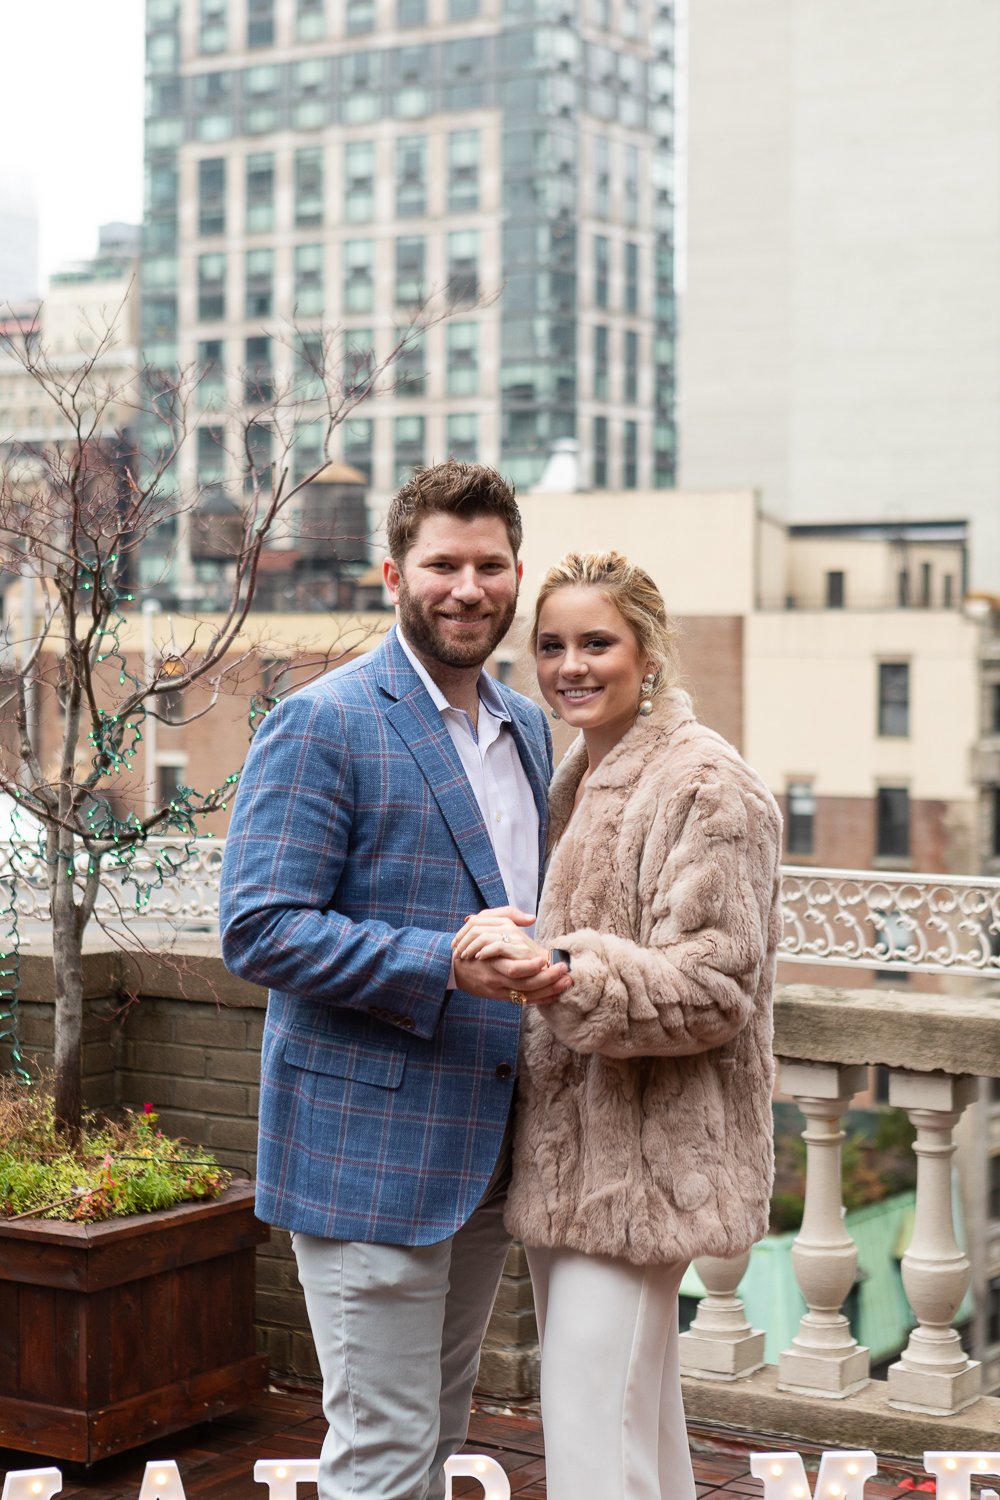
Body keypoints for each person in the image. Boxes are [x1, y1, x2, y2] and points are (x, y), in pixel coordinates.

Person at [219, 460, 572, 1500]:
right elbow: (259, 927)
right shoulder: (324, 721)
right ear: (391, 574)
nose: (467, 588)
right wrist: (441, 961)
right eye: (442, 565)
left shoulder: (529, 727)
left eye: (490, 565)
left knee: (433, 1437)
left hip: (485, 1154)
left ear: (517, 575)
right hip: (362, 1161)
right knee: (378, 1452)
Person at [453, 551, 782, 1500]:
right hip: (573, 1158)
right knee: (626, 1421)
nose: (571, 666)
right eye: (550, 645)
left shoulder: (708, 786)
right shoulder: (578, 776)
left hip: (649, 1161)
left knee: (593, 1425)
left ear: (650, 652)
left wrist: (559, 972)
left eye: (598, 642)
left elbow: (716, 989)